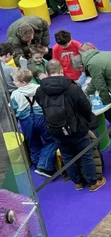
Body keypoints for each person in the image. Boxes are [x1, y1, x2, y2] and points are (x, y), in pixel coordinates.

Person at [36, 61, 104, 191]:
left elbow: (42, 106)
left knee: (67, 156)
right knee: (86, 155)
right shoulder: (72, 88)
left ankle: (77, 183)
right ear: (61, 71)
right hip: (77, 128)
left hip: (56, 130)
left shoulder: (40, 90)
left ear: (47, 73)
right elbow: (85, 107)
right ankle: (92, 182)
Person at [10, 68, 58, 178]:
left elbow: (13, 109)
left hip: (26, 120)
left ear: (23, 82)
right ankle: (45, 165)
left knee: (33, 144)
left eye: (15, 81)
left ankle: (38, 165)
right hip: (41, 118)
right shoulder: (39, 88)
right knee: (52, 140)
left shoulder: (15, 94)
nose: (13, 82)